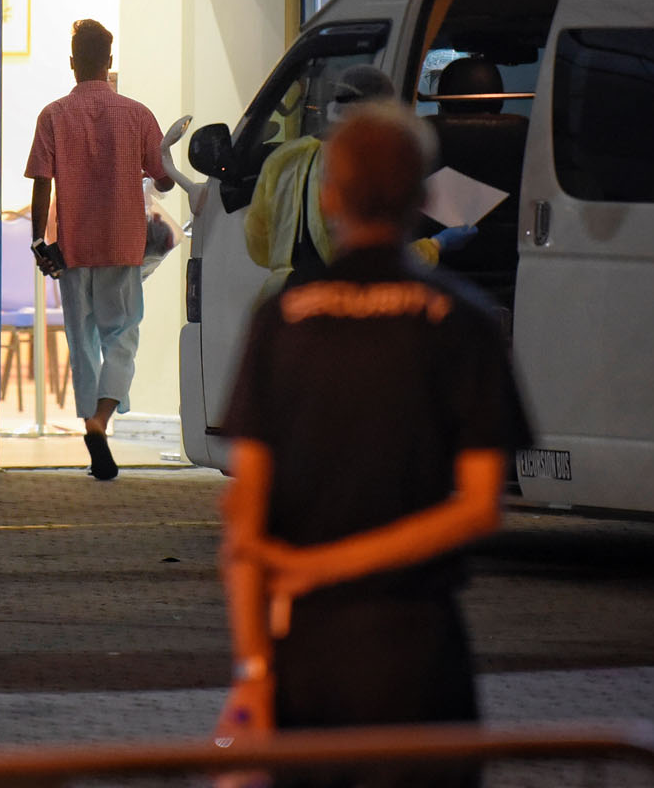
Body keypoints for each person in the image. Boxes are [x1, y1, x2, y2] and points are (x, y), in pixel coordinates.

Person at [216, 102, 533, 787]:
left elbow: (244, 516)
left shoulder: (283, 321)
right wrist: (336, 565)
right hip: (416, 650)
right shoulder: (463, 321)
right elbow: (480, 507)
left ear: (330, 197)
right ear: (422, 198)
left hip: (303, 652)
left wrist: (251, 674)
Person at [26, 19, 174, 480]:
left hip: (71, 247)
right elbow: (165, 178)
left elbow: (41, 185)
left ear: (73, 63)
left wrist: (38, 241)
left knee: (82, 341)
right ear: (110, 62)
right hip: (121, 244)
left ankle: (92, 426)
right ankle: (99, 421)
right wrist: (162, 154)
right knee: (122, 338)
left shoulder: (52, 114)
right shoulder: (138, 114)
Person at [242, 64, 472, 294]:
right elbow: (369, 260)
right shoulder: (374, 162)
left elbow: (259, 247)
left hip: (284, 297)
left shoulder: (283, 158)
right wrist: (436, 245)